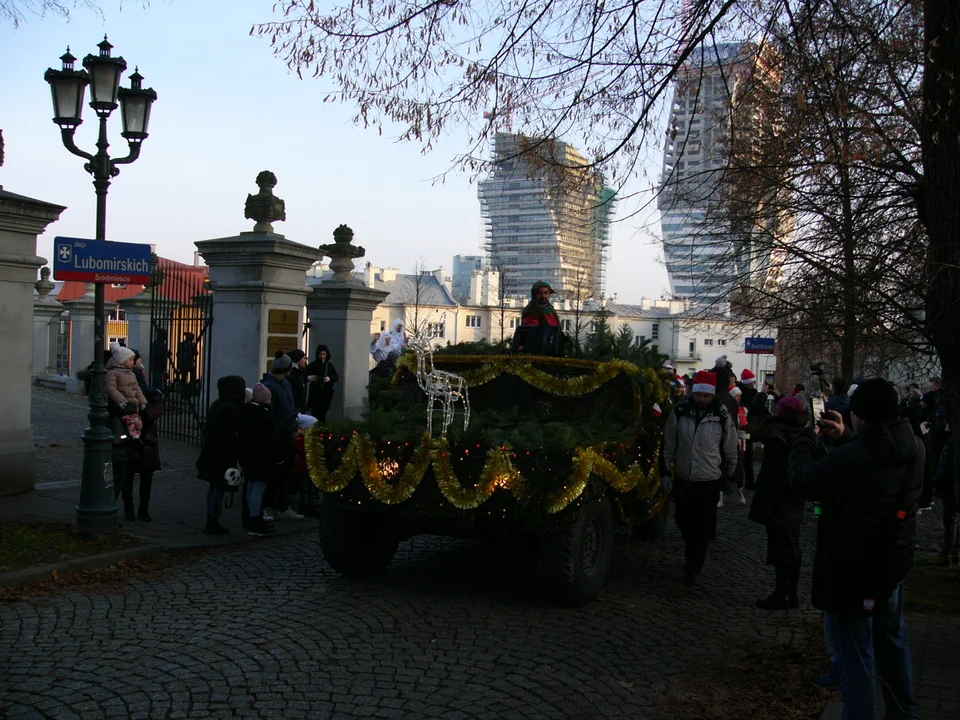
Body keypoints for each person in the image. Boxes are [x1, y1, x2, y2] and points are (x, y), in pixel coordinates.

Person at [789, 378, 924, 720]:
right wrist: (847, 439)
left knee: (856, 655)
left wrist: (804, 439)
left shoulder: (853, 457)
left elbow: (802, 481)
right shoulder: (913, 445)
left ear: (860, 416)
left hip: (854, 569)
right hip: (892, 561)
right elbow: (878, 461)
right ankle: (903, 714)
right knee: (892, 644)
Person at [662, 370, 738, 585]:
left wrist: (731, 473)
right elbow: (669, 444)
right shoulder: (679, 412)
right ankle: (692, 549)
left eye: (705, 396)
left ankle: (693, 567)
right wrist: (666, 472)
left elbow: (730, 445)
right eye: (698, 395)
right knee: (682, 519)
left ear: (711, 396)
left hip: (709, 479)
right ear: (693, 394)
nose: (702, 399)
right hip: (685, 478)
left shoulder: (721, 415)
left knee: (702, 527)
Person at [748, 395, 808, 610]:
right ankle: (789, 593)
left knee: (782, 548)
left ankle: (784, 594)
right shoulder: (803, 434)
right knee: (791, 546)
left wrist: (763, 414)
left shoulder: (775, 434)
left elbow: (752, 430)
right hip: (794, 497)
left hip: (776, 498)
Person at [196, 375, 246, 535]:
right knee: (218, 488)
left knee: (213, 487)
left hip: (212, 452)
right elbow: (230, 436)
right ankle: (212, 519)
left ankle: (211, 518)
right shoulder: (232, 408)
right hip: (221, 454)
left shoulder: (218, 404)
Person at [261, 353, 302, 521]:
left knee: (286, 471)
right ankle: (269, 505)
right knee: (275, 472)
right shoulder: (270, 385)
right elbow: (272, 412)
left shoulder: (286, 383)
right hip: (278, 434)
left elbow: (290, 406)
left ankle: (284, 505)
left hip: (288, 431)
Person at [238, 383, 282, 537]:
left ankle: (251, 516)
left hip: (250, 456)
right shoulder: (264, 415)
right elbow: (271, 439)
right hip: (262, 458)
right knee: (258, 488)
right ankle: (255, 519)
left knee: (251, 487)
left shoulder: (247, 411)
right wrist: (277, 457)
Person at [305, 344, 339, 422]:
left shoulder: (329, 366)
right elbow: (304, 376)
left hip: (325, 395)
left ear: (327, 355)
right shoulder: (312, 365)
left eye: (324, 354)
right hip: (314, 395)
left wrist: (329, 378)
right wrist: (309, 378)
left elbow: (336, 376)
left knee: (323, 416)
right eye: (320, 354)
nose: (322, 356)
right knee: (314, 416)